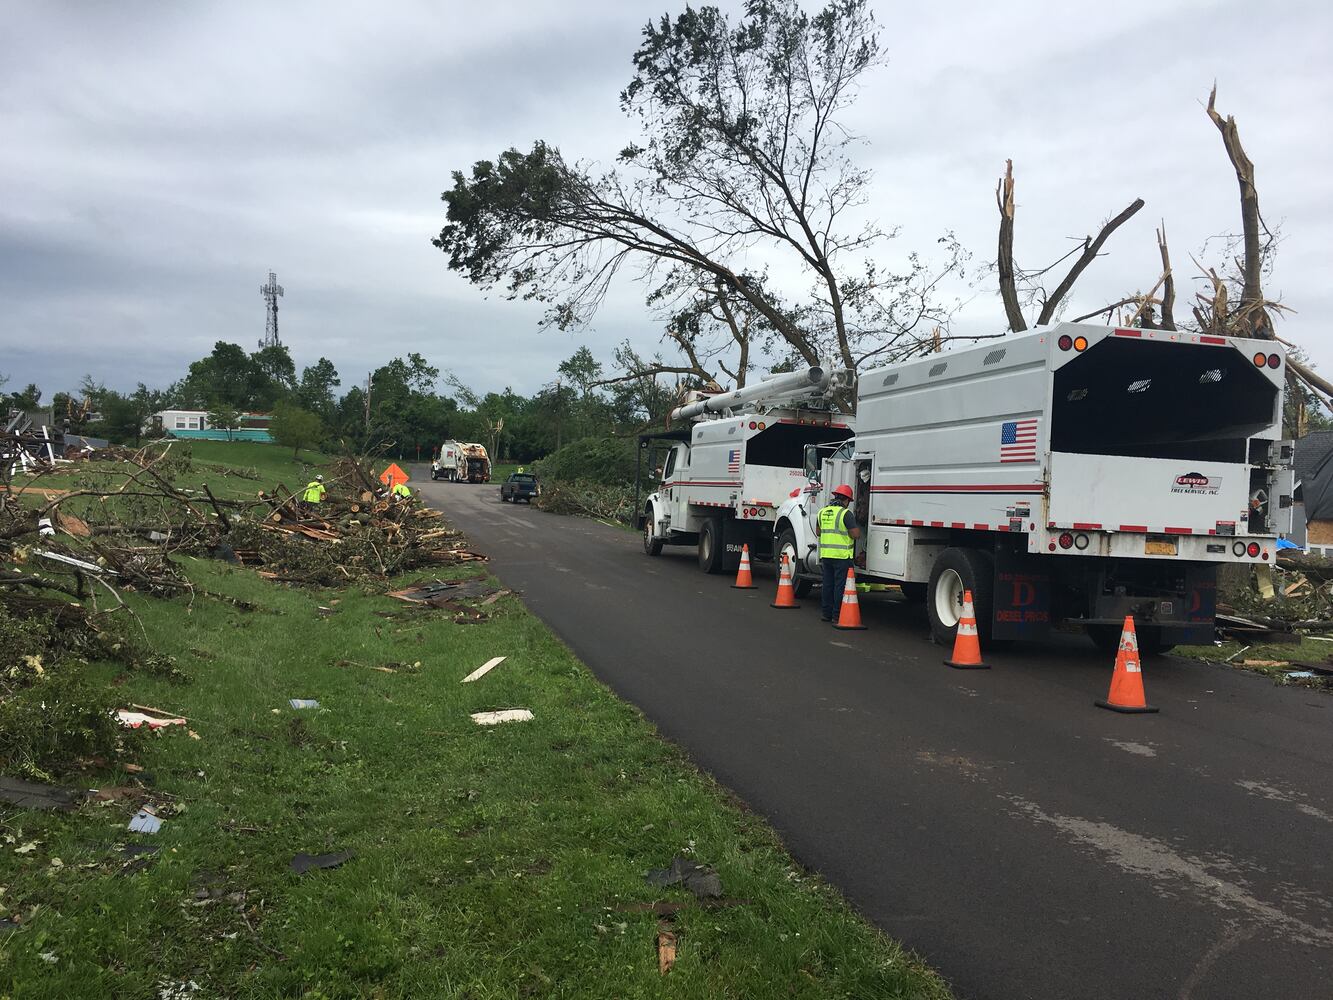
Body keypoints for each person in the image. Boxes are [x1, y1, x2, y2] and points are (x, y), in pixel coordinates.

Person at [815, 484, 861, 623]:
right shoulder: (845, 514)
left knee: (827, 584)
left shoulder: (822, 512)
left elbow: (818, 532)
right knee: (839, 586)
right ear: (846, 500)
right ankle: (837, 615)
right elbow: (855, 534)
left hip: (826, 555)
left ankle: (826, 614)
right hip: (842, 556)